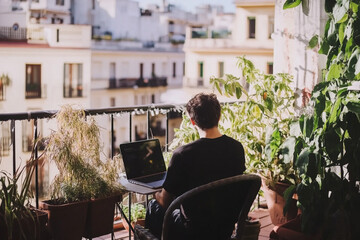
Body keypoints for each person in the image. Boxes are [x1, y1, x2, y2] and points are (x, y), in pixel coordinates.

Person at [145, 93, 246, 239]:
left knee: (153, 206)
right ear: (219, 116)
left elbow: (165, 202)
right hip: (224, 227)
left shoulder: (182, 154)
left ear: (193, 121)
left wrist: (155, 193)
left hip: (193, 230)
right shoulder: (236, 148)